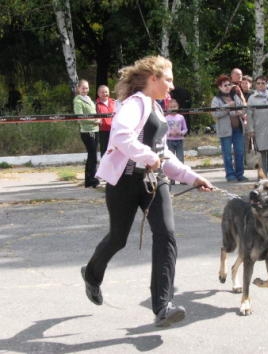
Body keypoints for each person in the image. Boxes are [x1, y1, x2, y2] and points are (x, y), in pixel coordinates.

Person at [80, 55, 213, 327]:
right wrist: (146, 155)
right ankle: (92, 274)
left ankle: (163, 306)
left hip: (154, 181)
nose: (172, 86)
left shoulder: (159, 109)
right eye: (168, 79)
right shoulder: (134, 104)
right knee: (118, 239)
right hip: (124, 181)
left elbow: (164, 157)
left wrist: (193, 177)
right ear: (153, 78)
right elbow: (120, 136)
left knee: (167, 235)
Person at [211, 74, 248, 182]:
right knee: (227, 154)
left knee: (240, 152)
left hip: (238, 129)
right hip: (225, 131)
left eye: (229, 84)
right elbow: (215, 114)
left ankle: (240, 174)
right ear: (219, 87)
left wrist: (240, 111)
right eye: (224, 85)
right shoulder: (216, 99)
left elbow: (243, 108)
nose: (227, 87)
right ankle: (230, 175)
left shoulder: (235, 96)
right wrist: (228, 107)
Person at [247, 76, 268, 179]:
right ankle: (263, 177)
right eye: (258, 83)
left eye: (263, 83)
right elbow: (249, 115)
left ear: (266, 84)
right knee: (261, 155)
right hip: (259, 129)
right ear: (255, 85)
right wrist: (251, 129)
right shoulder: (252, 98)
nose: (261, 85)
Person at [73, 79, 100, 188]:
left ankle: (89, 179)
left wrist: (98, 119)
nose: (85, 90)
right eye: (83, 88)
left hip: (95, 129)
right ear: (78, 88)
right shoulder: (78, 101)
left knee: (92, 155)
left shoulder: (88, 98)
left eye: (87, 88)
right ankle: (90, 179)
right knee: (93, 156)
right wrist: (94, 120)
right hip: (87, 131)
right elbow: (79, 118)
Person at [95, 85, 116, 157]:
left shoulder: (114, 102)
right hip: (103, 131)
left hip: (114, 130)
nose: (105, 94)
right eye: (102, 92)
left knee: (115, 151)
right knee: (104, 151)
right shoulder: (95, 104)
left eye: (106, 92)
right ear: (98, 93)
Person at [165, 98, 188, 164]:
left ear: (178, 107)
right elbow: (164, 130)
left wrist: (181, 133)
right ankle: (171, 169)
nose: (173, 108)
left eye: (174, 106)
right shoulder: (166, 118)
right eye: (171, 107)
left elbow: (185, 129)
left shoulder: (181, 117)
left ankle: (181, 170)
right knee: (170, 157)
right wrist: (169, 133)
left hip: (179, 140)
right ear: (168, 108)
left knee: (180, 157)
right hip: (169, 140)